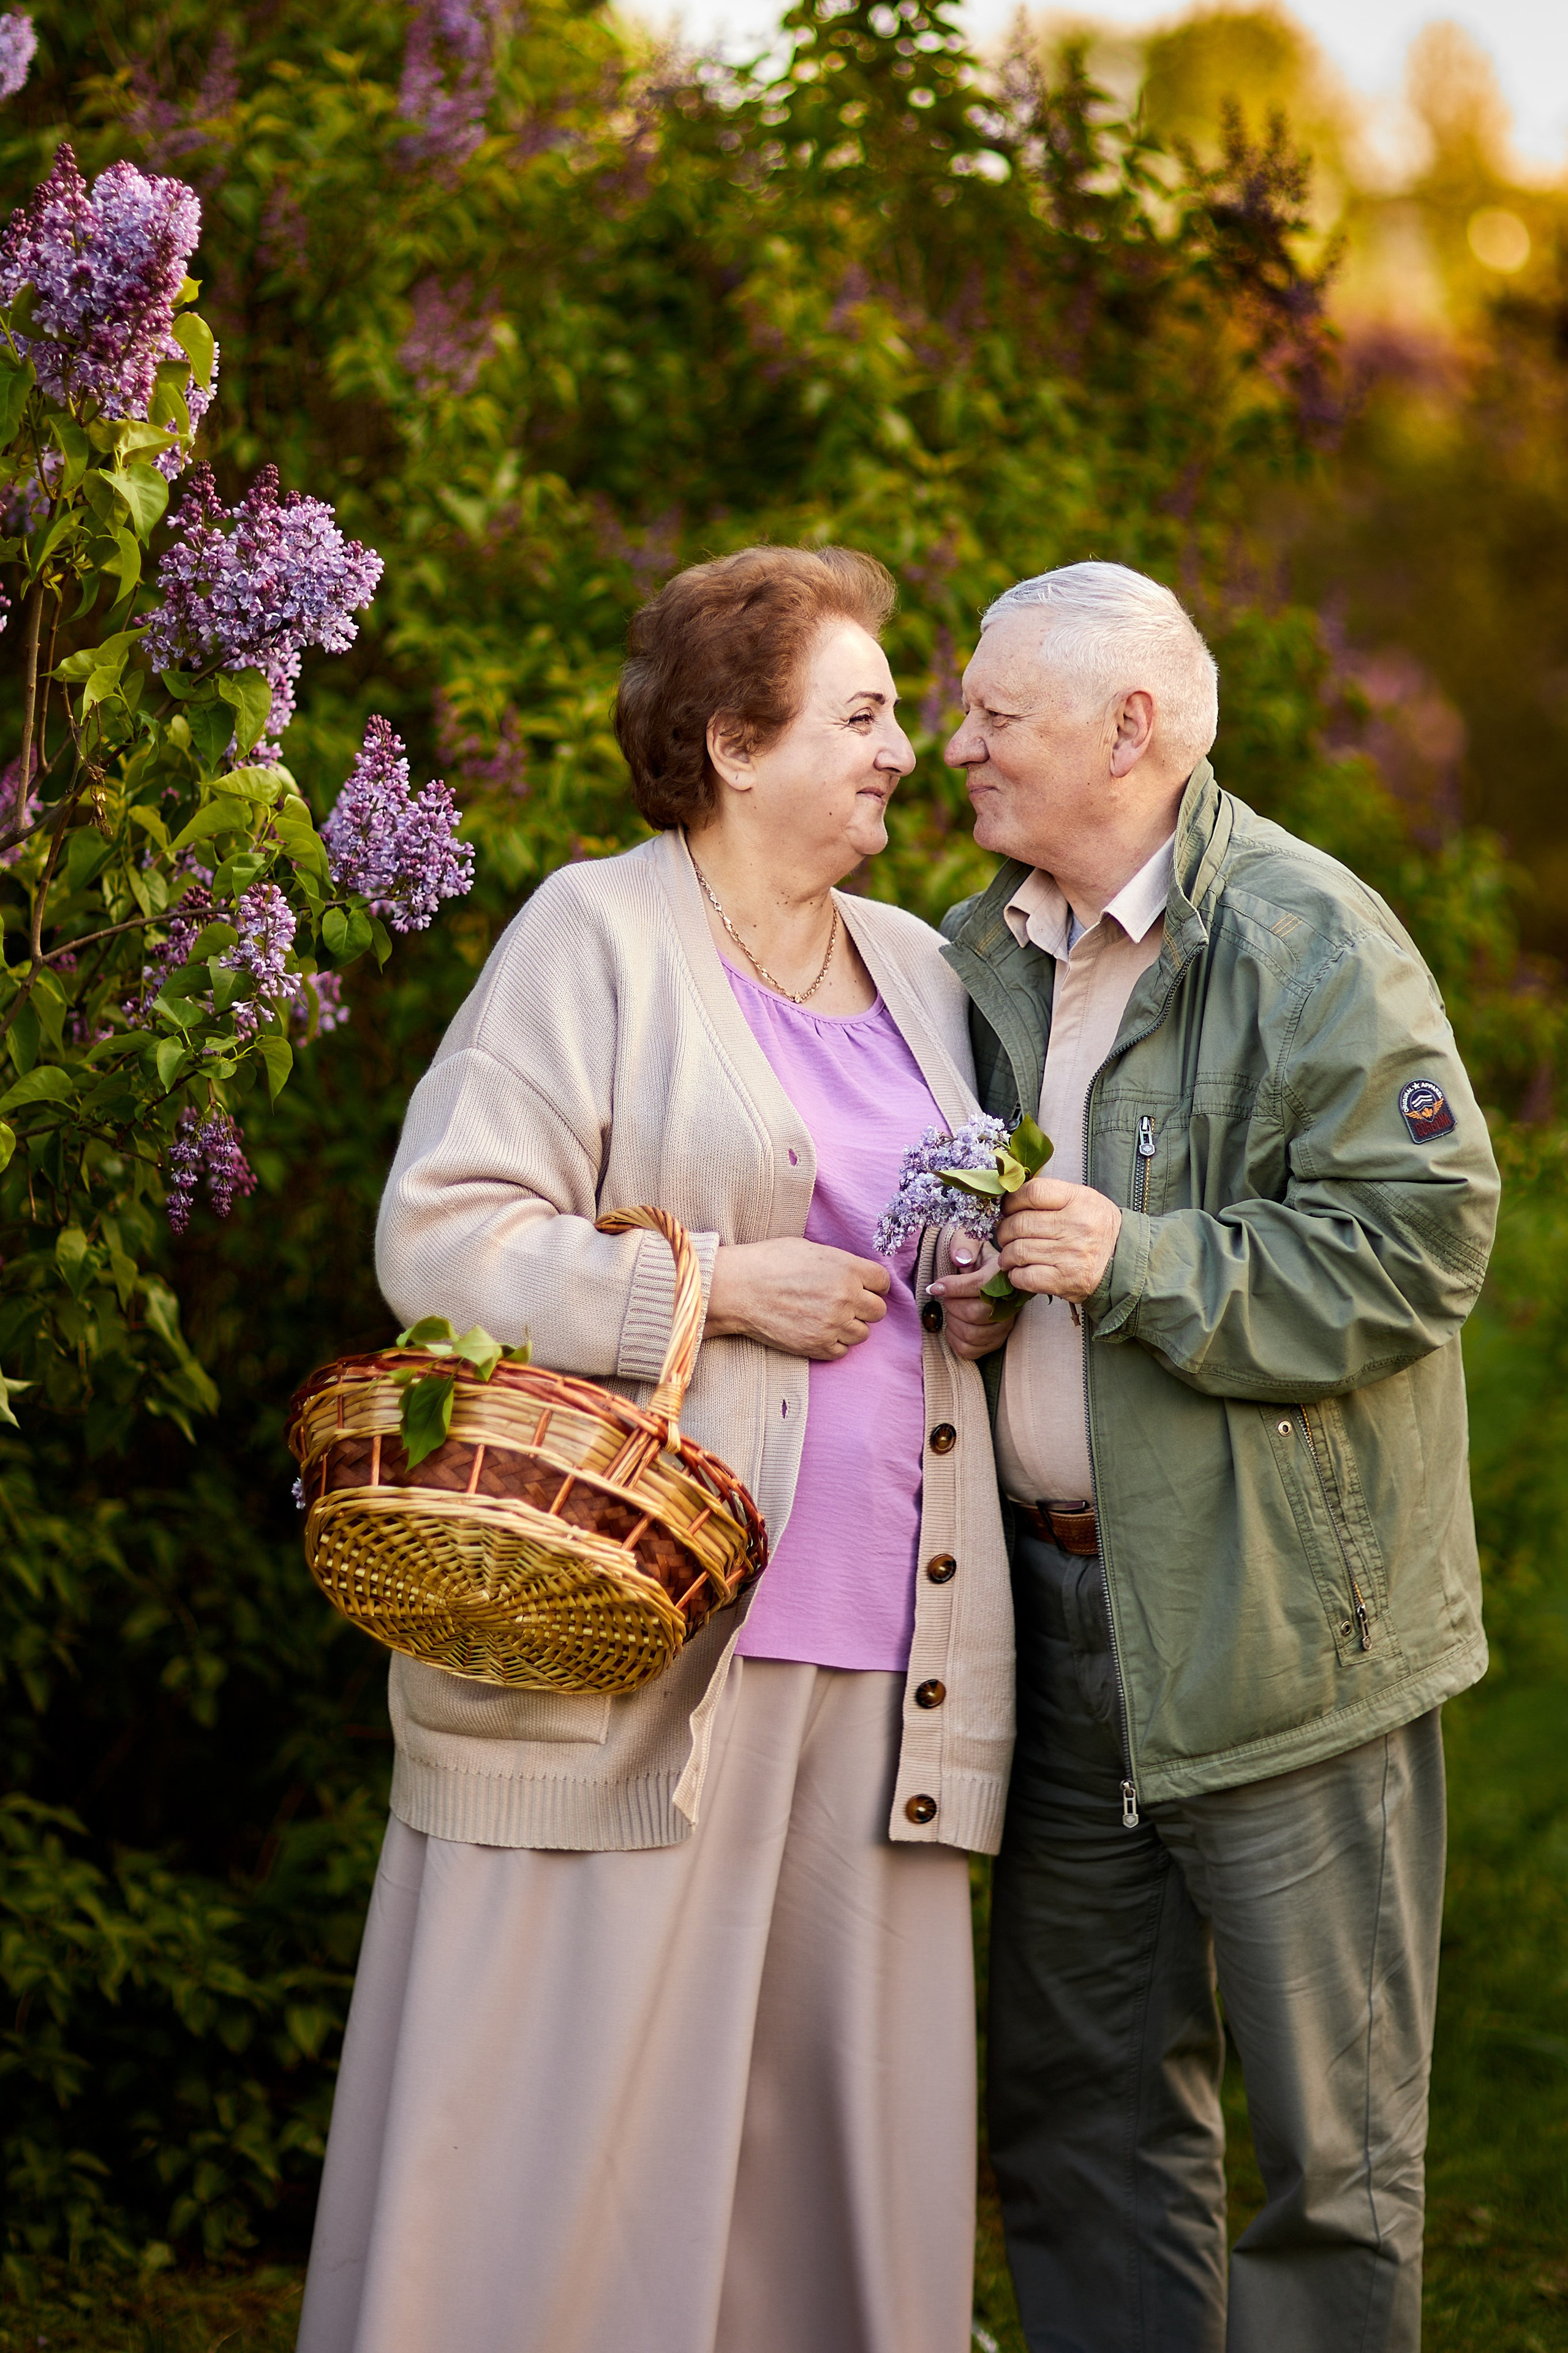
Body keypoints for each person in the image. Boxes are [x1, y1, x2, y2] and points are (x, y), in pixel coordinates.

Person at [295, 544, 1013, 2353]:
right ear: (734, 745)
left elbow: (930, 1246)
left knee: (830, 2142)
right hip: (644, 1635)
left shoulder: (924, 969)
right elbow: (441, 1235)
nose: (905, 752)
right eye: (864, 716)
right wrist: (710, 1288)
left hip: (891, 1638)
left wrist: (980, 1297)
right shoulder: (595, 935)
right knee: (584, 2122)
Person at [928, 561, 1499, 2353]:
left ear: (1131, 729)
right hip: (1056, 1618)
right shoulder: (975, 952)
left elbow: (1423, 1240)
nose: (956, 747)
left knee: (1332, 2157)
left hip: (1284, 1631)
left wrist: (1138, 1260)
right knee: (1080, 2116)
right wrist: (972, 1292)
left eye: (993, 715)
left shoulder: (1312, 936)